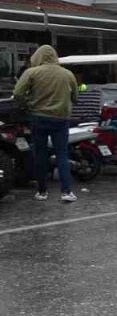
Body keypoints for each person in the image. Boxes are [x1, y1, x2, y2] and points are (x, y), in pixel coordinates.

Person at [13, 45, 78, 202]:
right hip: (61, 120)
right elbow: (75, 96)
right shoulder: (67, 74)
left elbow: (17, 93)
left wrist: (27, 105)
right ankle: (66, 192)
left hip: (38, 118)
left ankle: (42, 192)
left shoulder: (32, 72)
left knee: (40, 155)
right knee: (62, 154)